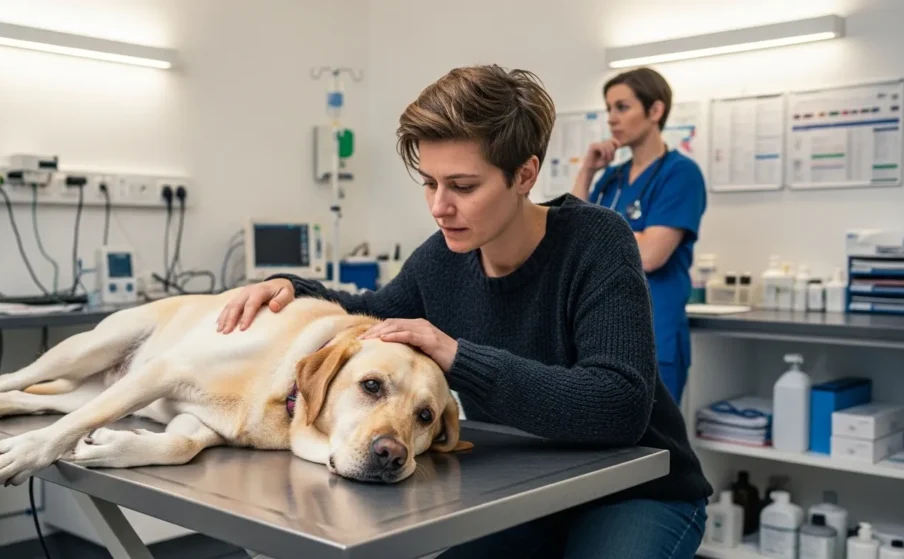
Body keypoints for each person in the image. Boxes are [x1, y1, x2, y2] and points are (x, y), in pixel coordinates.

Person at [216, 64, 712, 557]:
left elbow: (618, 403)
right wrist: (290, 285)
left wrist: (457, 356)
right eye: (429, 183)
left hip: (640, 491)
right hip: (531, 487)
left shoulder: (597, 241)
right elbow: (371, 312)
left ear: (524, 174)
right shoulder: (441, 258)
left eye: (463, 186)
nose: (439, 206)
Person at [571, 67, 707, 405]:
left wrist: (598, 241)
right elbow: (570, 234)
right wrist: (587, 171)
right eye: (608, 109)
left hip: (654, 331)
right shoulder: (611, 178)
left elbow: (651, 255)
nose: (612, 119)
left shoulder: (680, 174)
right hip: (599, 334)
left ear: (655, 110)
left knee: (654, 450)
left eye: (622, 107)